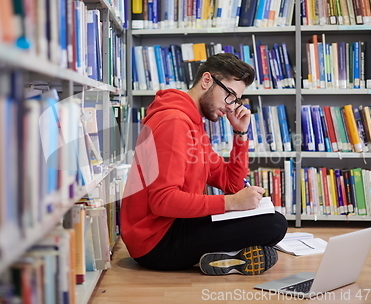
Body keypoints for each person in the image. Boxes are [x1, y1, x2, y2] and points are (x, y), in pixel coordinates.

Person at [120, 53, 288, 275]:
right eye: (229, 95)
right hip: (155, 241)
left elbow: (230, 182)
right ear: (207, 80)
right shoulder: (175, 122)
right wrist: (232, 203)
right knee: (273, 225)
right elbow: (163, 201)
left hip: (174, 223)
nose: (231, 107)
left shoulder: (193, 123)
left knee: (269, 219)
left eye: (236, 100)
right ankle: (227, 256)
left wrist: (240, 135)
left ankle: (221, 256)